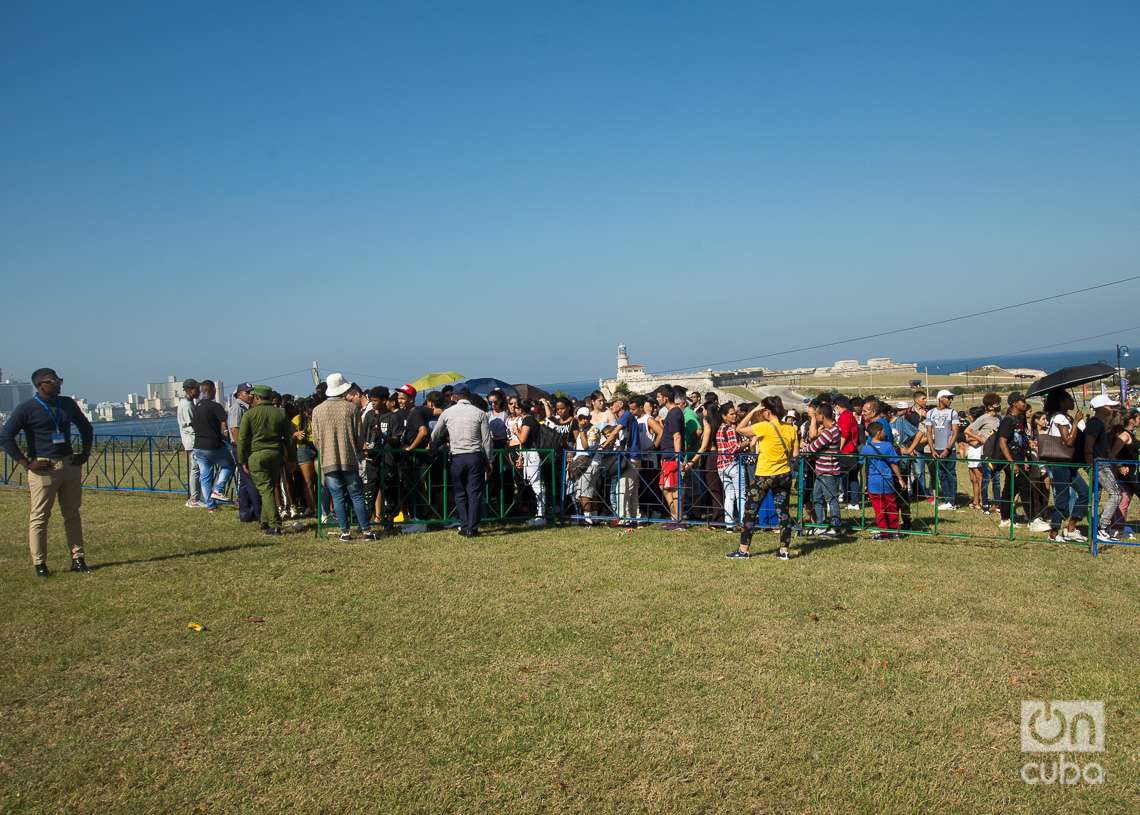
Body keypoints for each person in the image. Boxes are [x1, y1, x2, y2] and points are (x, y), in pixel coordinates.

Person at [0, 368, 94, 577]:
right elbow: (6, 436)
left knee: (72, 514)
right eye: (54, 381)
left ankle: (78, 559)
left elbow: (86, 427)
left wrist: (85, 452)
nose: (59, 383)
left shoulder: (67, 404)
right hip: (44, 469)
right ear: (40, 384)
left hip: (69, 465)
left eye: (60, 379)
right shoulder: (27, 409)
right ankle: (40, 563)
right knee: (40, 517)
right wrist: (26, 463)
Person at [729, 396, 798, 560]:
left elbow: (739, 428)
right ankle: (784, 551)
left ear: (767, 411)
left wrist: (753, 409)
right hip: (784, 474)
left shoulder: (764, 427)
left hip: (764, 475)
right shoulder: (791, 428)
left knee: (750, 511)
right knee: (783, 513)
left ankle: (743, 550)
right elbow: (795, 454)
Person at [311, 372, 375, 541]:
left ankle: (344, 532)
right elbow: (359, 436)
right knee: (356, 495)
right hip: (349, 458)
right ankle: (366, 531)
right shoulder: (352, 409)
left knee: (337, 496)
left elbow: (316, 439)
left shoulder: (317, 411)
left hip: (328, 459)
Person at [431, 385, 492, 537]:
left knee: (459, 493)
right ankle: (472, 527)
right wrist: (490, 459)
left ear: (454, 397)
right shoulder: (480, 413)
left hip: (457, 456)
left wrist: (431, 445)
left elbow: (435, 433)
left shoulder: (447, 412)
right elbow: (487, 440)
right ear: (468, 396)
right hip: (474, 456)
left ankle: (464, 525)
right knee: (474, 493)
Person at [236, 385, 294, 535]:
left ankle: (274, 524)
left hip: (256, 455)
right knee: (269, 487)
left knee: (265, 489)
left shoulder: (249, 414)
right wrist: (292, 459)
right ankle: (264, 521)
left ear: (257, 398)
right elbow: (289, 438)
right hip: (276, 454)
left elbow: (242, 439)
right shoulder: (280, 413)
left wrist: (242, 460)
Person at [1041, 390, 1088, 542]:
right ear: (1062, 401)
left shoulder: (1064, 416)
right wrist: (1075, 422)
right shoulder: (1060, 417)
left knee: (1084, 492)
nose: (1072, 401)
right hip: (1060, 464)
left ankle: (1071, 528)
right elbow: (1068, 441)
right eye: (1069, 399)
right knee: (1062, 499)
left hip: (1068, 464)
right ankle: (1053, 534)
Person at [1084, 393, 1125, 543]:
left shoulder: (1099, 423)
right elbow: (1089, 445)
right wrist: (1091, 465)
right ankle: (1102, 527)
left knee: (1096, 496)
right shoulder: (1095, 423)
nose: (1111, 408)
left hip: (1099, 463)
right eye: (1109, 406)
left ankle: (1094, 529)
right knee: (1116, 494)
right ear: (1101, 408)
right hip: (1099, 463)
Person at [190, 380, 234, 512]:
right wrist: (227, 436)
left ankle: (210, 505)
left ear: (202, 391)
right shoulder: (215, 406)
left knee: (205, 476)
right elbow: (224, 423)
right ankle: (218, 489)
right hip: (213, 445)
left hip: (198, 446)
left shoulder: (196, 406)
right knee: (229, 465)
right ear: (213, 391)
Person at [800, 401, 843, 536]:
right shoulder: (835, 429)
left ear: (822, 416)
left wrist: (803, 449)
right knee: (817, 497)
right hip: (821, 470)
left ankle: (835, 526)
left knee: (831, 499)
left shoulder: (828, 433)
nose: (815, 417)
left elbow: (813, 447)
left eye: (816, 415)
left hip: (828, 471)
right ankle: (821, 524)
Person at [996, 392, 1033, 529]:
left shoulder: (1019, 420)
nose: (1024, 403)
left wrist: (1026, 458)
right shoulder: (1008, 420)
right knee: (1025, 487)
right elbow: (1002, 442)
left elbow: (1021, 442)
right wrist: (1012, 462)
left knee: (1009, 490)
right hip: (1011, 460)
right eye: (1021, 400)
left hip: (1019, 459)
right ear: (1013, 403)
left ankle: (1005, 519)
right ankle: (1033, 519)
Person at [861, 420, 904, 539]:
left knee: (878, 508)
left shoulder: (866, 448)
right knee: (891, 506)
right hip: (887, 481)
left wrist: (864, 483)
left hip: (873, 482)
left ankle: (884, 530)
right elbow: (894, 463)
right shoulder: (888, 446)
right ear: (879, 432)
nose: (885, 433)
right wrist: (900, 478)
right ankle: (894, 530)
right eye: (884, 431)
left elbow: (862, 465)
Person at [964, 393, 1001, 512]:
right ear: (989, 406)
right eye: (996, 402)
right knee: (986, 479)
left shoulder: (999, 418)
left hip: (996, 453)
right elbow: (967, 430)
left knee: (997, 480)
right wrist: (980, 439)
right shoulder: (983, 418)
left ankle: (998, 504)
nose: (999, 404)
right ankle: (985, 504)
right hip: (985, 453)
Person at [924, 390, 960, 510]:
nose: (950, 400)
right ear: (941, 398)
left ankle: (952, 500)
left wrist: (948, 448)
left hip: (949, 449)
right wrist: (932, 449)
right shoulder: (930, 413)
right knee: (941, 474)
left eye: (951, 398)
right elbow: (929, 432)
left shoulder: (953, 413)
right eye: (948, 398)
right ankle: (947, 499)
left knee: (951, 474)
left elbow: (955, 432)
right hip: (936, 449)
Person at [714, 403, 747, 529]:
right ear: (724, 416)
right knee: (741, 494)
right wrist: (747, 443)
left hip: (721, 465)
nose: (734, 416)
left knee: (729, 495)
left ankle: (729, 523)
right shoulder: (730, 429)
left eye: (735, 413)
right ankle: (744, 521)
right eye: (731, 414)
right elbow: (734, 448)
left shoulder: (719, 429)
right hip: (733, 464)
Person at [659, 387, 688, 527]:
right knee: (666, 487)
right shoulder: (673, 413)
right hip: (668, 456)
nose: (657, 399)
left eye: (659, 396)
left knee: (673, 488)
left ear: (665, 398)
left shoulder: (674, 413)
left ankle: (678, 519)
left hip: (672, 456)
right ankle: (675, 517)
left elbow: (677, 436)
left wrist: (677, 457)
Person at [178, 378, 204, 508]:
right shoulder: (187, 405)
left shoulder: (188, 403)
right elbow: (193, 423)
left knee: (196, 469)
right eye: (196, 389)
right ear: (190, 390)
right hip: (192, 441)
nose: (199, 391)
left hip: (192, 440)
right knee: (195, 470)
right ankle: (194, 498)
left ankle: (196, 497)